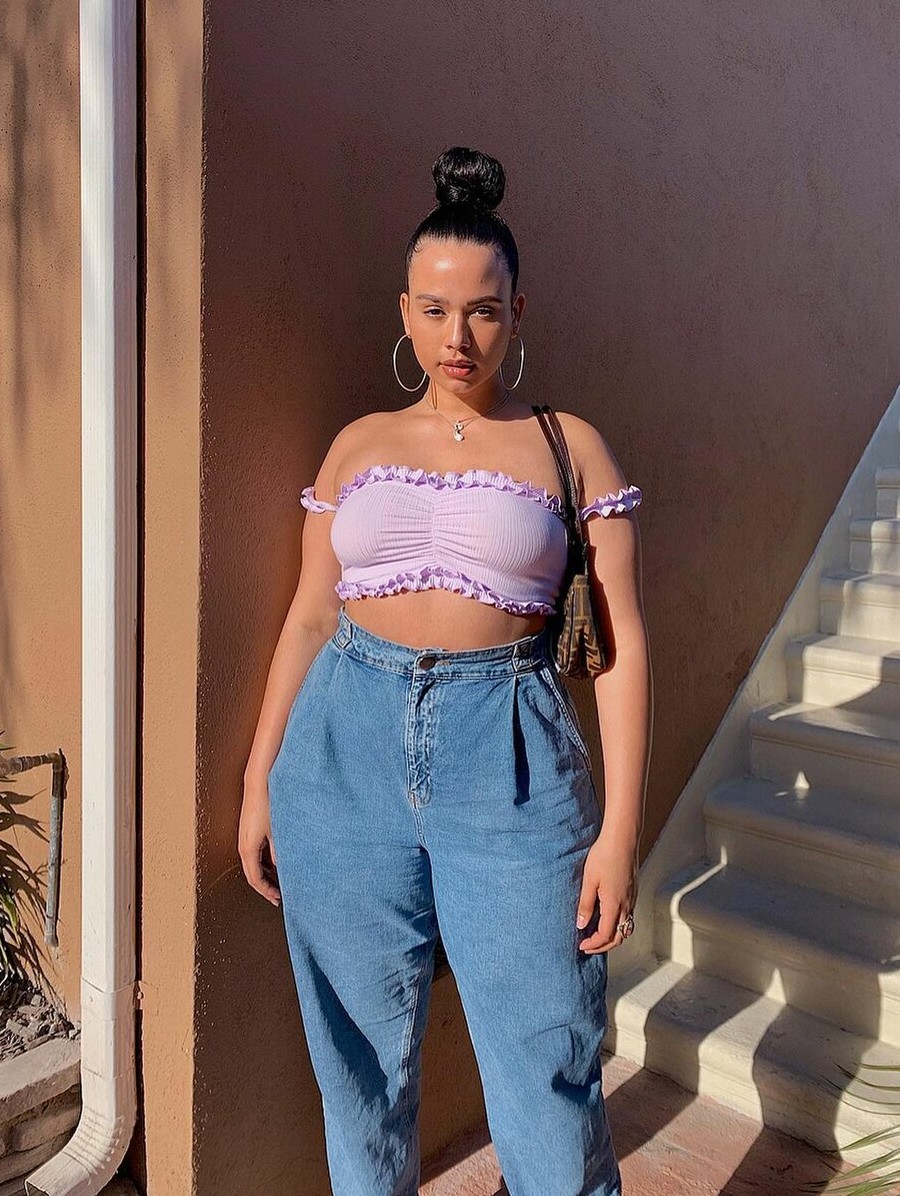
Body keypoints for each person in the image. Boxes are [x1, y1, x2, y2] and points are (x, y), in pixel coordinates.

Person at [239, 145, 652, 1196]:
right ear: (404, 312)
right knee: (357, 1069)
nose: (455, 337)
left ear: (517, 313)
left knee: (544, 1060)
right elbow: (309, 616)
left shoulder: (569, 448)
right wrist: (258, 778)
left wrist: (618, 832)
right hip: (341, 754)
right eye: (433, 310)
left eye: (480, 311)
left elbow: (619, 650)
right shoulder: (357, 444)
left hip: (509, 756)